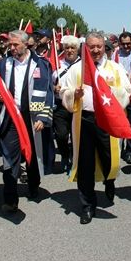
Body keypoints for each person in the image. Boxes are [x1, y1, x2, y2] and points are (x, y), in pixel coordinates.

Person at [59, 32, 131, 224]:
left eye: (99, 46)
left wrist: (109, 91)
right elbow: (63, 91)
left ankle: (110, 180)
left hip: (107, 121)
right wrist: (73, 94)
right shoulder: (76, 70)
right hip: (84, 120)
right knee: (85, 164)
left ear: (104, 46)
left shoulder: (115, 69)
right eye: (91, 47)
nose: (96, 50)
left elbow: (127, 92)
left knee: (109, 158)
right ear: (86, 48)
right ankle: (87, 205)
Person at [0, 30, 54, 213]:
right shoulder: (3, 64)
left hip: (32, 118)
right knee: (9, 159)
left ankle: (34, 183)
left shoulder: (41, 64)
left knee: (33, 156)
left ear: (26, 44)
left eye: (15, 45)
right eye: (9, 45)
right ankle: (10, 199)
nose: (11, 48)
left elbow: (48, 92)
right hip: (11, 118)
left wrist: (43, 117)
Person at [52, 35, 80, 174]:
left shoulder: (83, 65)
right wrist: (53, 87)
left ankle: (74, 160)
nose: (70, 50)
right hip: (60, 104)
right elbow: (47, 84)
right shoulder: (57, 64)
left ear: (77, 49)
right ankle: (64, 154)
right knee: (62, 135)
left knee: (76, 135)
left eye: (73, 48)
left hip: (78, 104)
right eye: (67, 48)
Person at [116, 31, 131, 164]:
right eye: (123, 44)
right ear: (120, 44)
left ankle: (130, 151)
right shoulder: (115, 55)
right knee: (119, 123)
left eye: (128, 44)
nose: (126, 47)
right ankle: (119, 148)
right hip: (118, 95)